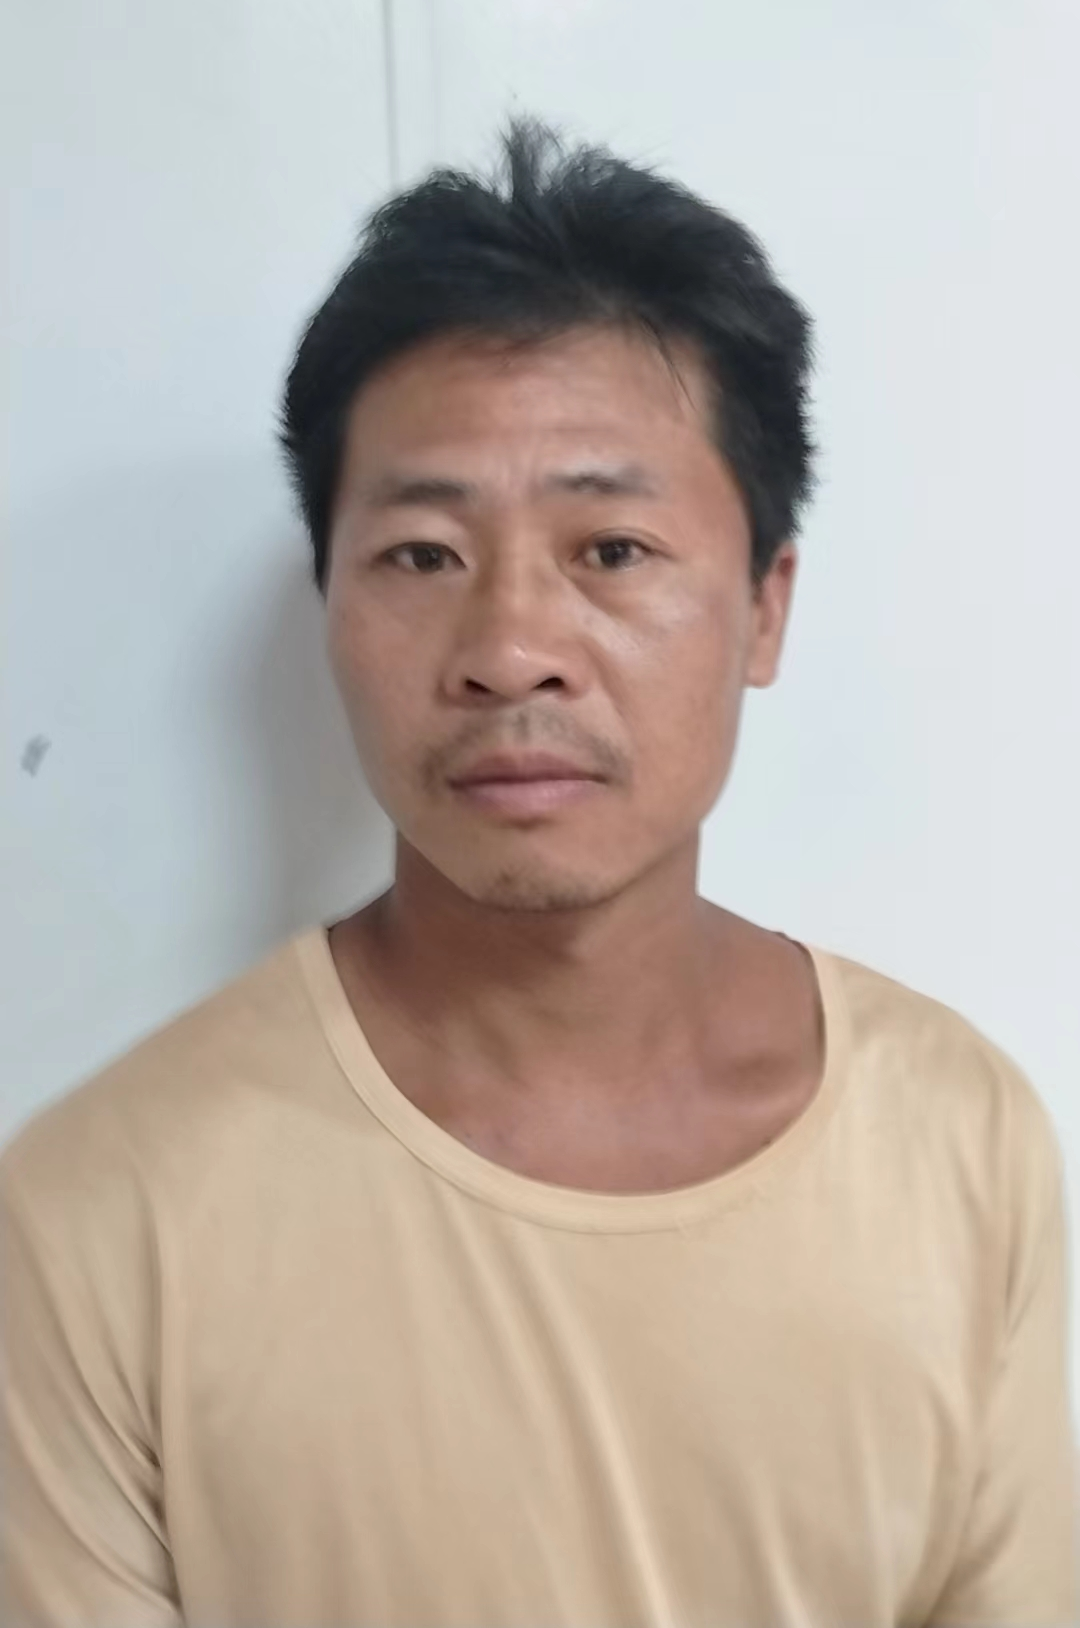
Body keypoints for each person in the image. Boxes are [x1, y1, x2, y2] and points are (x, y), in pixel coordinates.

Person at [1, 120, 1076, 1627]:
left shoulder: (961, 1140)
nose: (511, 649)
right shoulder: (98, 1215)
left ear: (766, 608)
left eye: (611, 549)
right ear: (328, 602)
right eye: (423, 555)